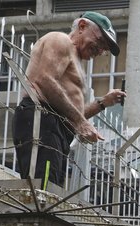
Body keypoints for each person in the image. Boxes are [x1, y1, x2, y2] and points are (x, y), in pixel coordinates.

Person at [13, 12, 125, 187]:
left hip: (55, 127)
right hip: (41, 119)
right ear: (82, 27)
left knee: (52, 187)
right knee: (43, 188)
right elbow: (45, 80)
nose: (101, 50)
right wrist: (81, 122)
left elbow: (72, 114)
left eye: (105, 49)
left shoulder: (75, 59)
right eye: (100, 41)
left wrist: (103, 102)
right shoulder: (60, 40)